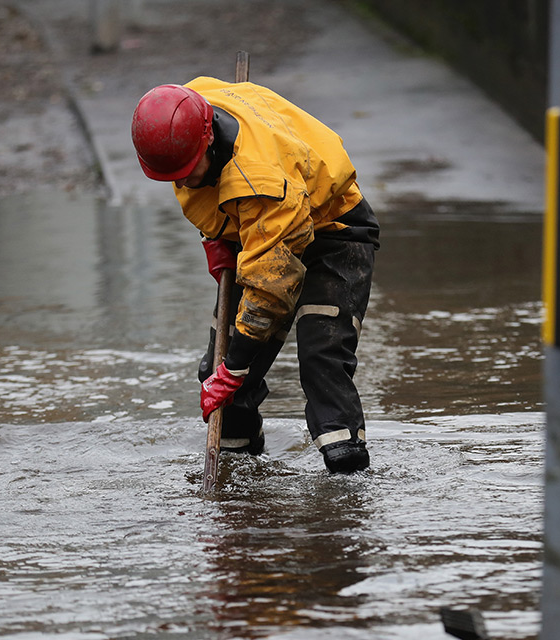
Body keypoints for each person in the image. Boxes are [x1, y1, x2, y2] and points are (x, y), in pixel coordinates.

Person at [130, 78, 380, 473]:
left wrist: (235, 368)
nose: (181, 182)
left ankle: (346, 484)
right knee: (216, 369)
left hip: (333, 230)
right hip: (259, 232)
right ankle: (240, 474)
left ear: (209, 140)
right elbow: (203, 194)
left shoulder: (260, 182)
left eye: (188, 171)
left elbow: (269, 290)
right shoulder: (189, 111)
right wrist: (216, 238)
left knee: (321, 359)